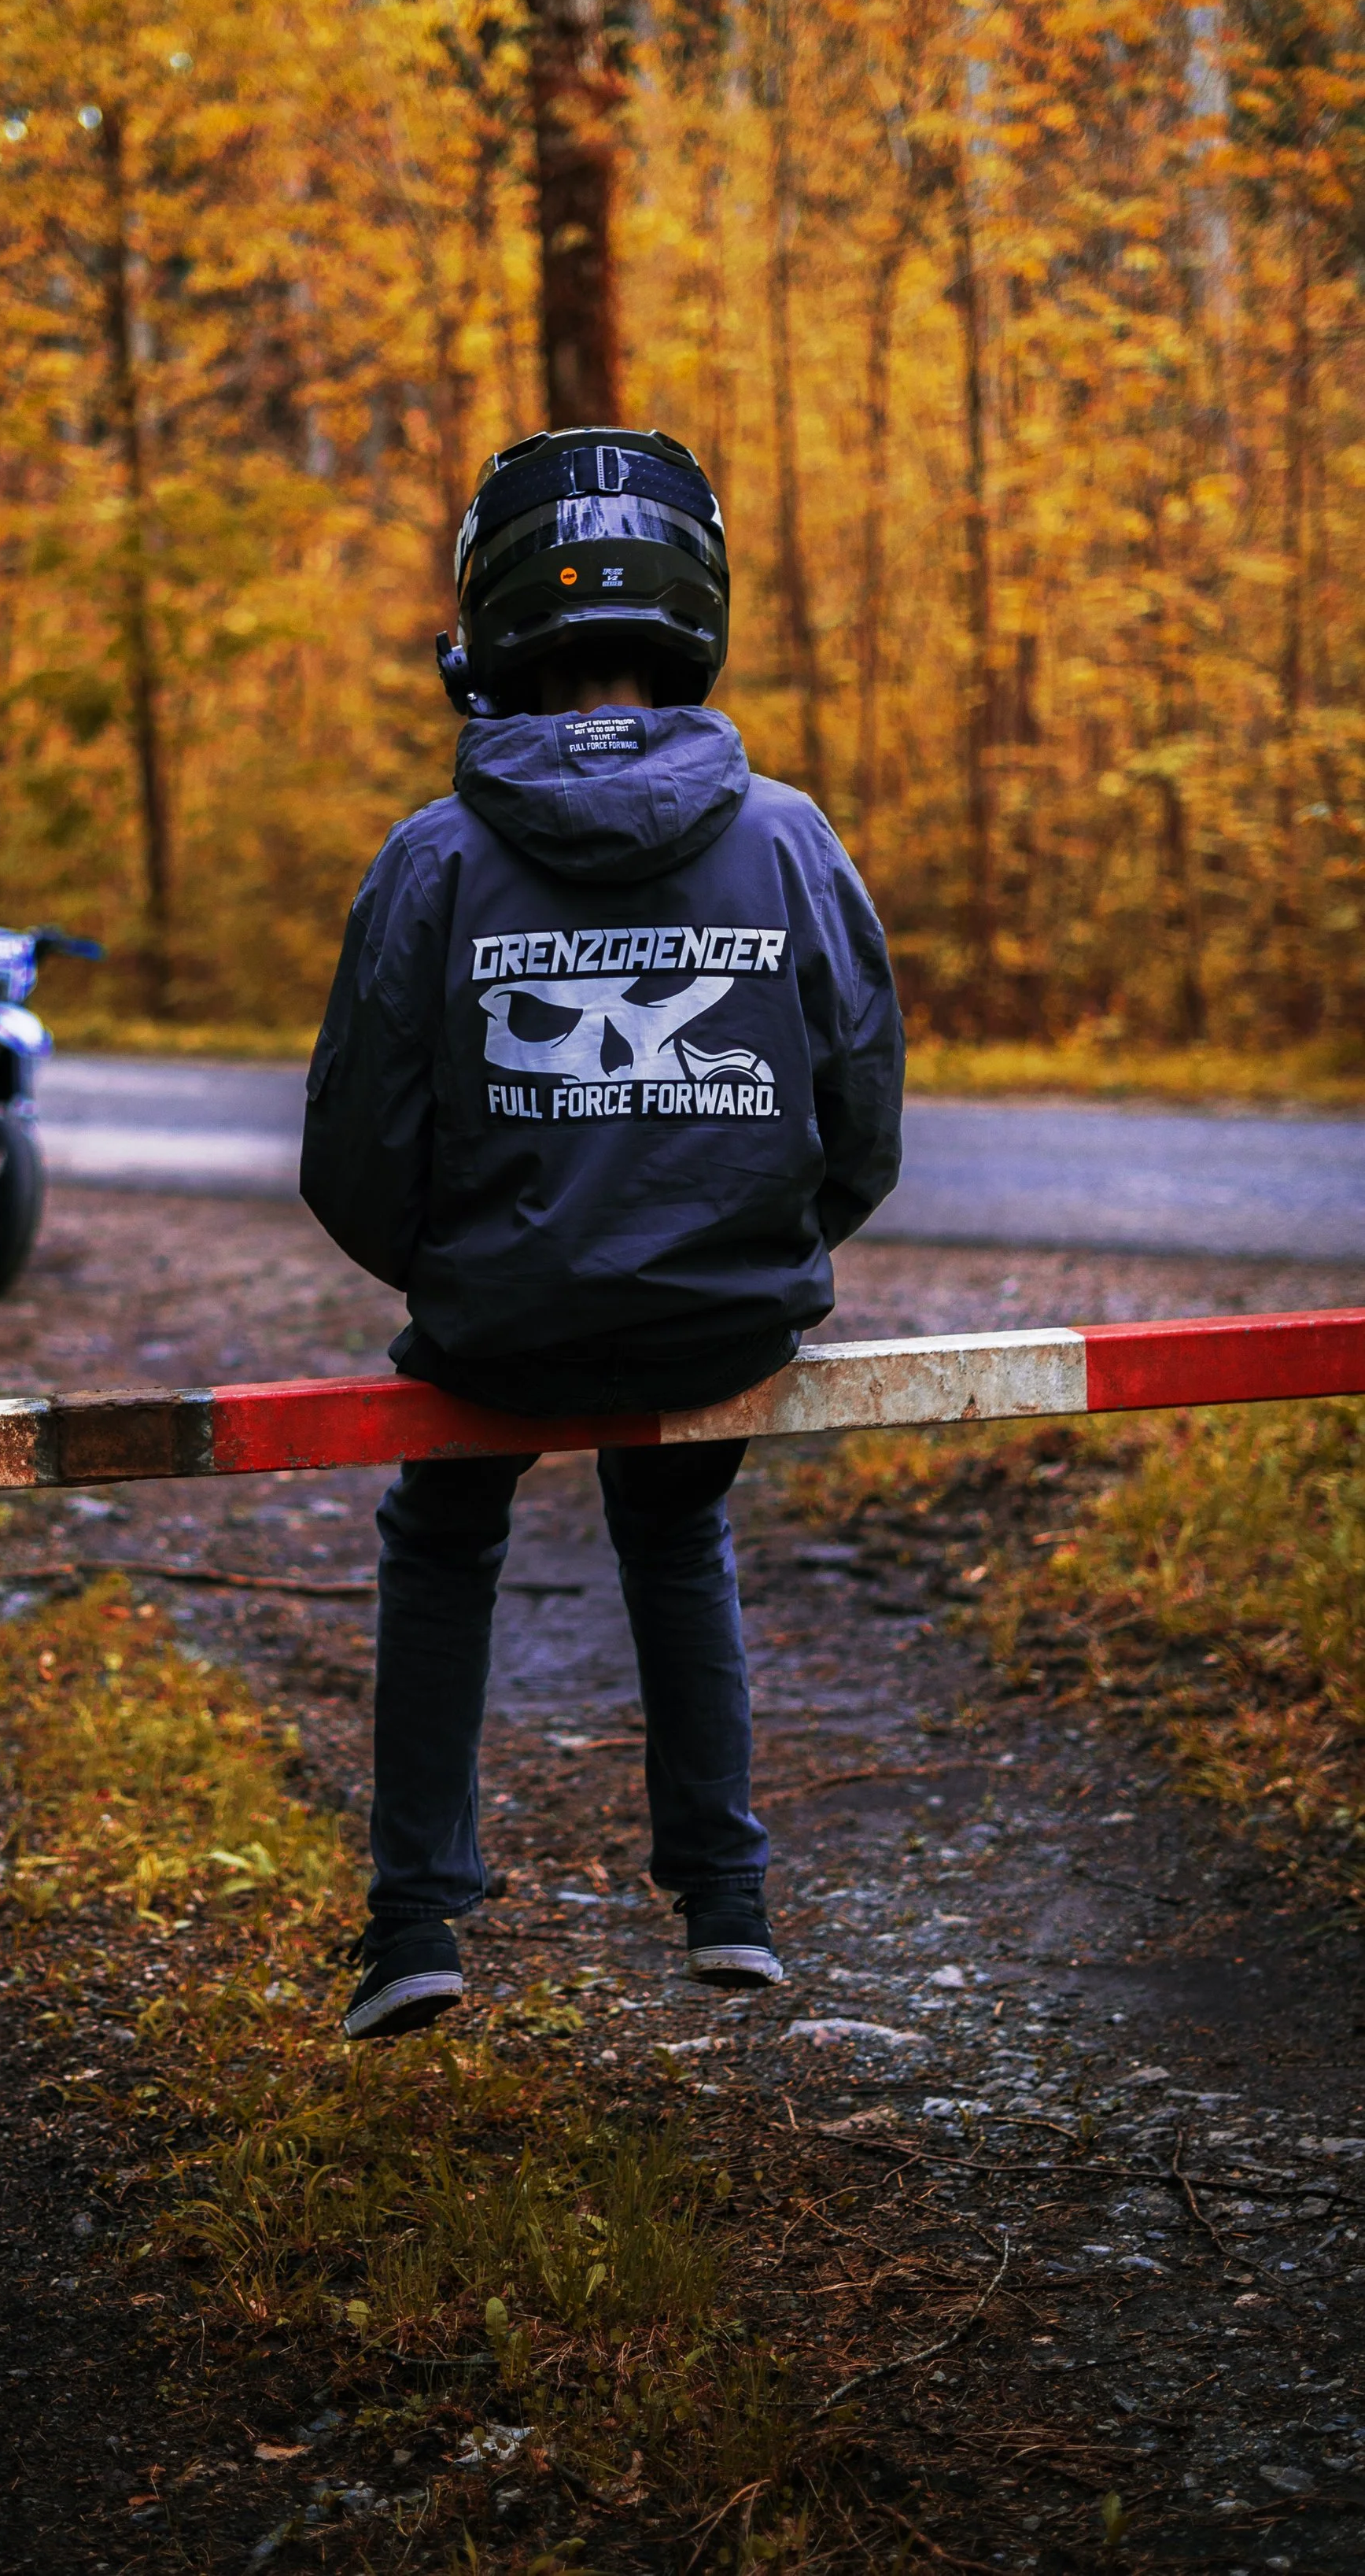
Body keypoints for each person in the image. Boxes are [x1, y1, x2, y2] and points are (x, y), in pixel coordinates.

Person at [301, 426, 904, 2041]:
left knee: (442, 1542)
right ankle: (725, 1905)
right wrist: (751, 1249)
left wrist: (466, 1269)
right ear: (691, 612)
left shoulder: (432, 858)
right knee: (673, 1527)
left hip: (492, 1324)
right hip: (719, 1316)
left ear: (488, 625)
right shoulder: (784, 839)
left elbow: (354, 1151)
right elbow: (862, 1118)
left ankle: (412, 1928)